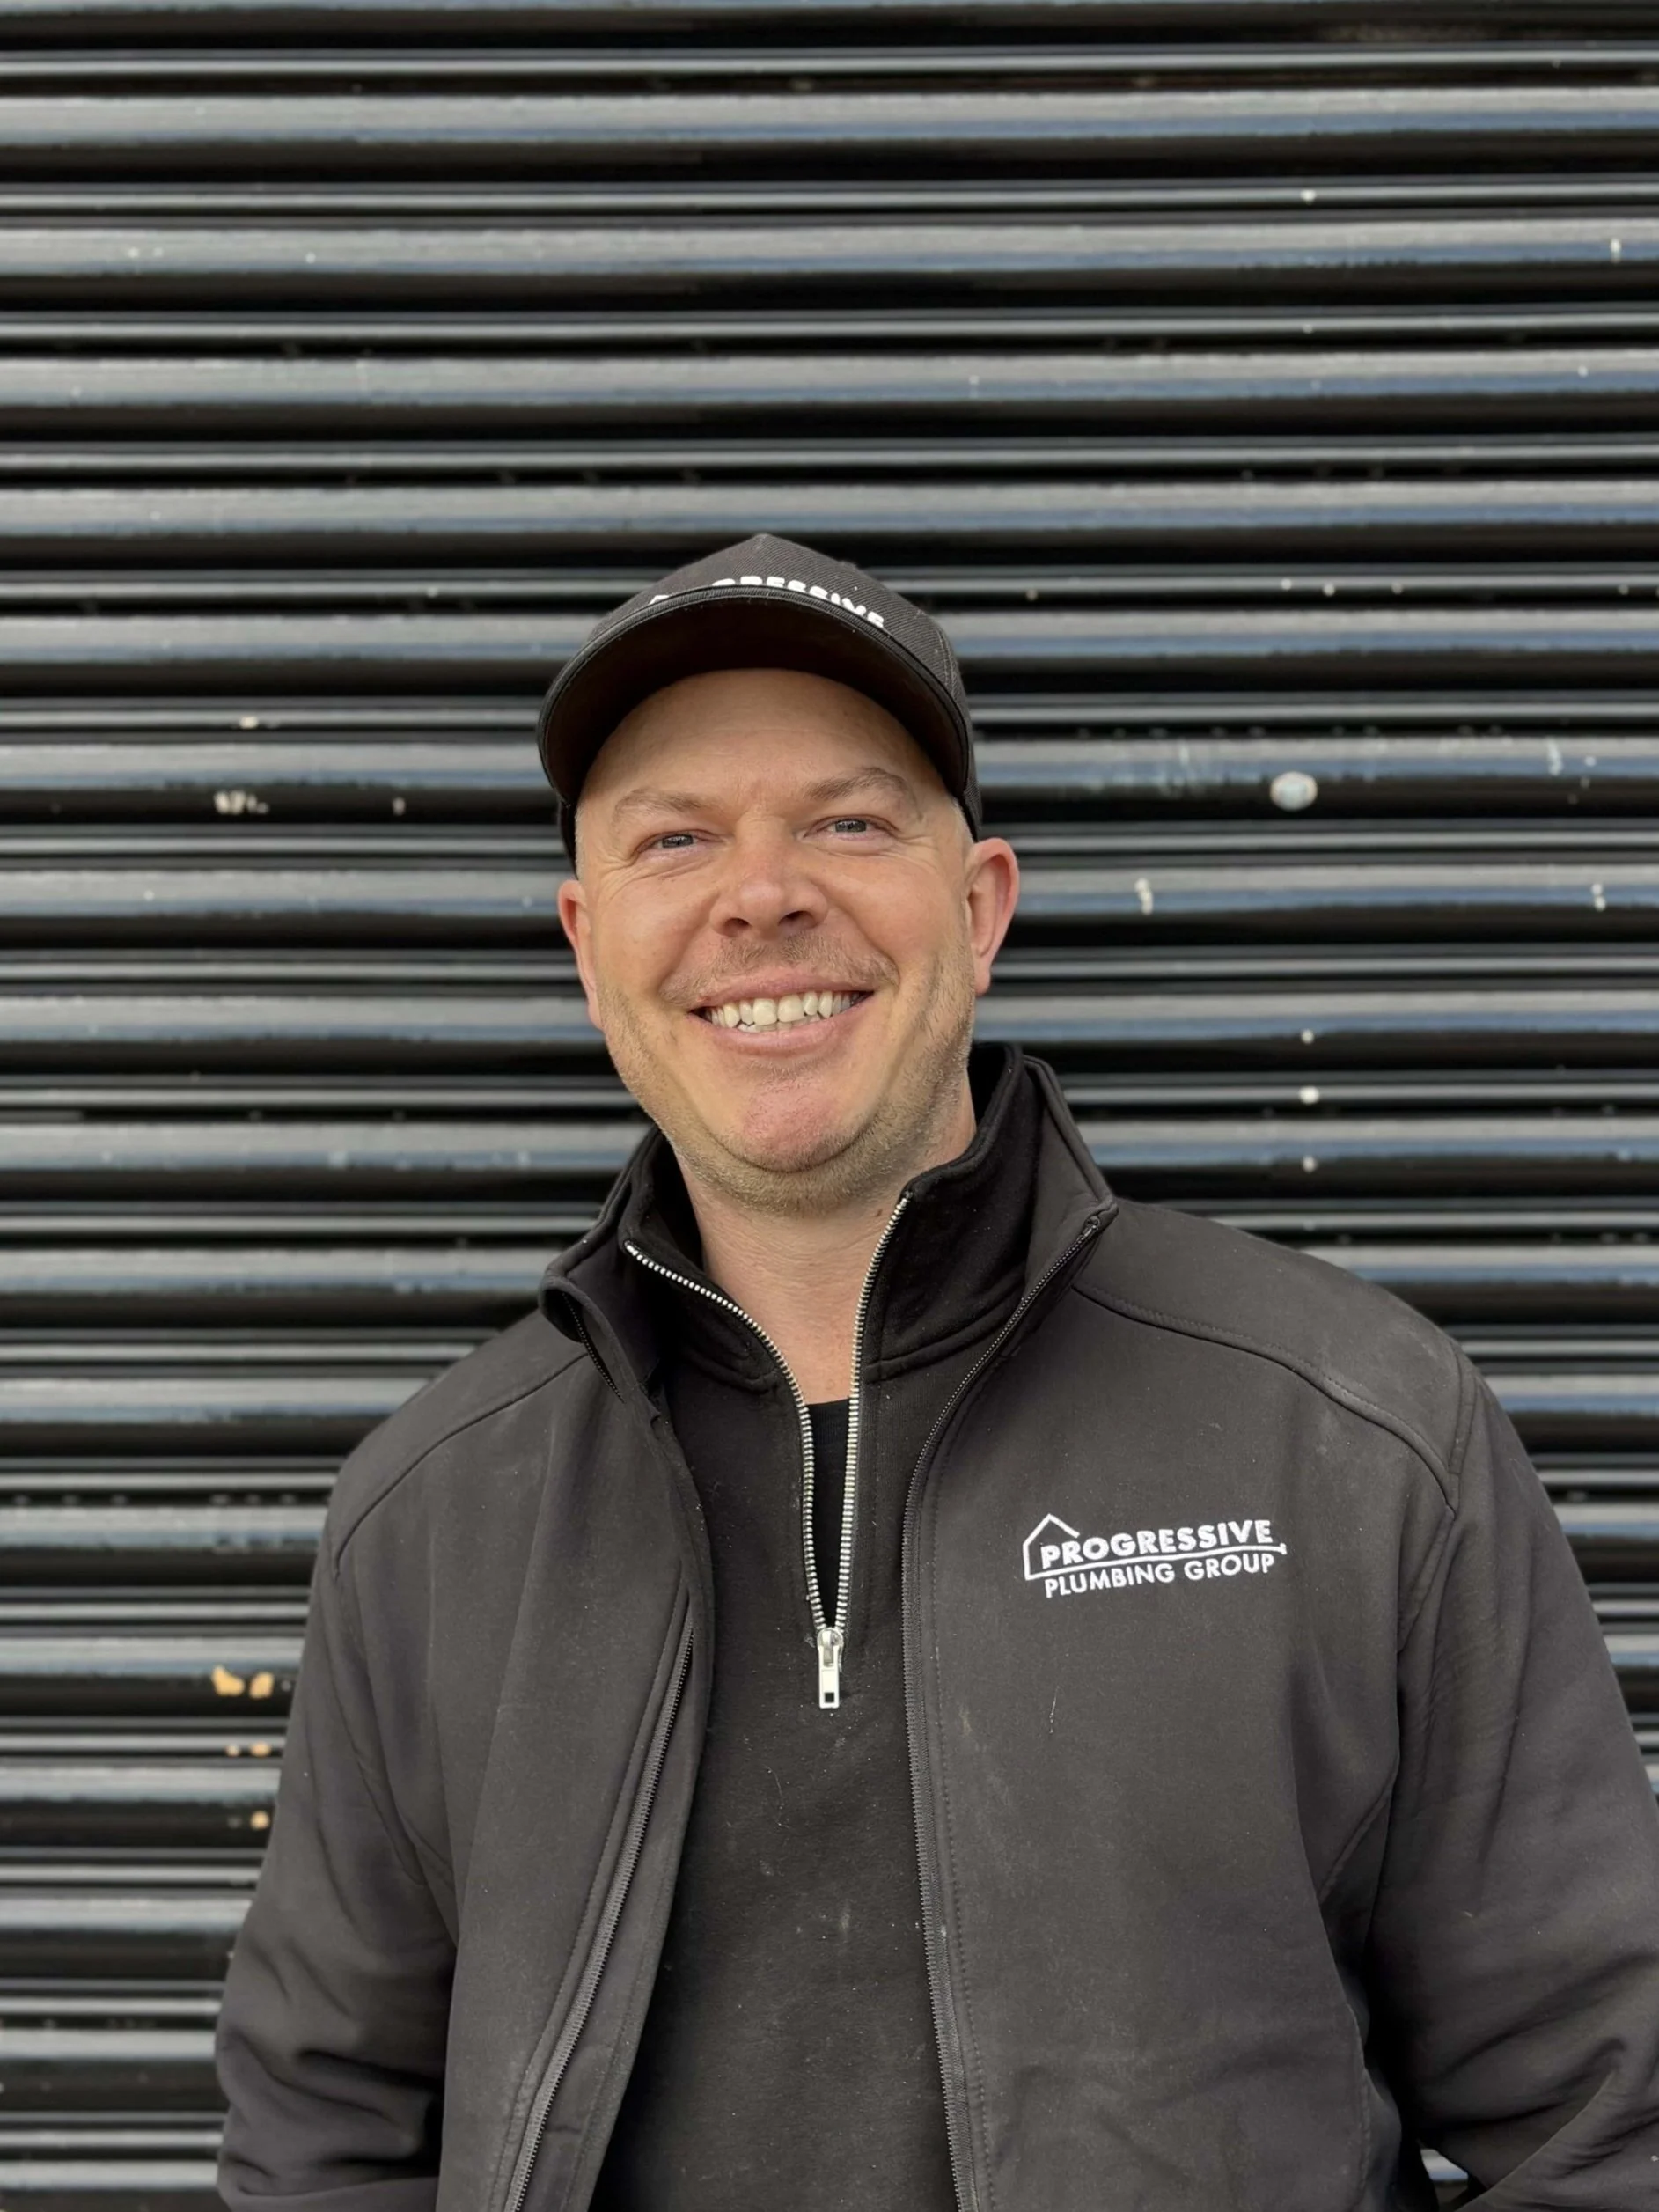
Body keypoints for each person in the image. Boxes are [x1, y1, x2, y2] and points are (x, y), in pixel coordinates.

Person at [215, 533, 1659, 2212]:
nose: (763, 894)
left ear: (979, 911)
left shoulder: (1348, 1432)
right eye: (677, 839)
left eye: (848, 823)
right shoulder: (433, 1518)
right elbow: (323, 2150)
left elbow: (1606, 2120)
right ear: (588, 945)